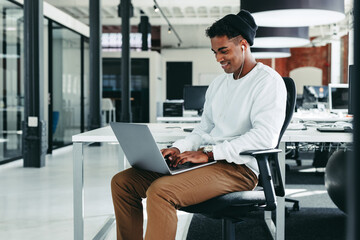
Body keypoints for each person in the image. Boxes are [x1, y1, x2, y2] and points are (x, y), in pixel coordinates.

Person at [111, 9, 287, 240]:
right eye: (215, 52)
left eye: (224, 51)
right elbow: (203, 129)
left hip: (239, 169)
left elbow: (265, 137)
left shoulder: (267, 81)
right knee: (123, 182)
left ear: (243, 44)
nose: (218, 59)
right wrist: (179, 148)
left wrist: (212, 154)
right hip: (209, 163)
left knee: (161, 191)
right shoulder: (218, 84)